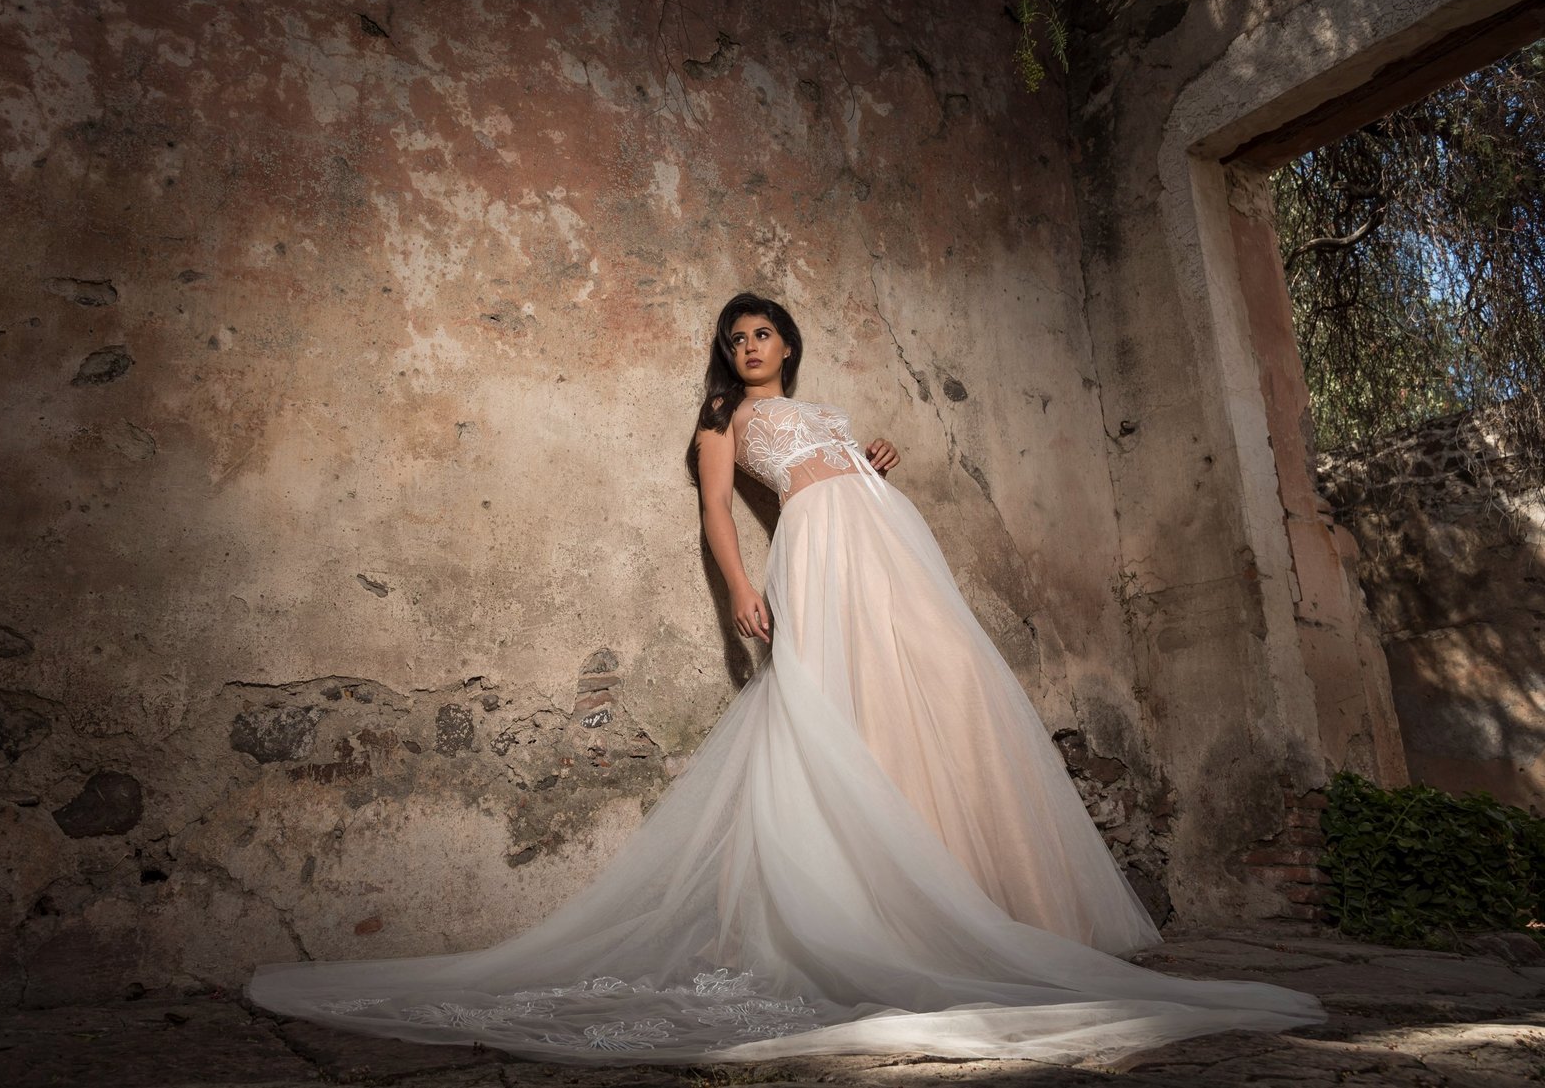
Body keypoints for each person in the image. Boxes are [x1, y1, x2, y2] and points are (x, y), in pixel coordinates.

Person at [245, 293, 1324, 1064]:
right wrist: (737, 592)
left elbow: (842, 466)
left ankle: (993, 899)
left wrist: (870, 462)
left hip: (891, 542)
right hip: (817, 548)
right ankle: (878, 910)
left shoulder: (833, 414)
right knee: (838, 708)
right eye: (735, 338)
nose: (749, 345)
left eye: (762, 331)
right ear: (729, 359)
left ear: (788, 341)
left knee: (944, 692)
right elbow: (719, 512)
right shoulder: (721, 423)